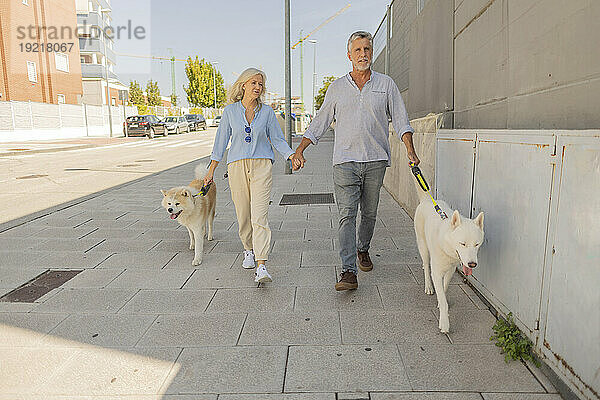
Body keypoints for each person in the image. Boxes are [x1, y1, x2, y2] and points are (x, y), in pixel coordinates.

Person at [293, 31, 420, 291]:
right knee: (346, 215)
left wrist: (410, 149)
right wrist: (301, 149)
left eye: (367, 49)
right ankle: (348, 271)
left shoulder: (386, 85)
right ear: (349, 55)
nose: (363, 54)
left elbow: (401, 119)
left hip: (375, 161)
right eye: (358, 50)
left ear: (371, 53)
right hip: (345, 162)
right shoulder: (337, 88)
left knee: (370, 214)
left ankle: (363, 249)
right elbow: (321, 121)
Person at [204, 68, 300, 283]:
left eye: (261, 84)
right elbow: (220, 143)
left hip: (262, 166)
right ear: (244, 85)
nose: (258, 87)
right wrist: (211, 170)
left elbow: (277, 139)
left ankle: (262, 264)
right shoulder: (230, 112)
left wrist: (291, 155)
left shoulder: (267, 113)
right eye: (254, 83)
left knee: (260, 216)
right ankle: (248, 249)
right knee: (243, 214)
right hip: (236, 166)